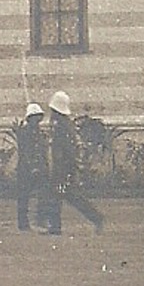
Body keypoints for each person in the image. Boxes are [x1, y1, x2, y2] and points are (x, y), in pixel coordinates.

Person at [44, 91, 104, 235]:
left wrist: (63, 168)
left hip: (63, 168)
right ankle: (55, 226)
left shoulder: (62, 127)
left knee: (66, 196)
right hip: (65, 167)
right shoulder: (63, 125)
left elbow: (65, 150)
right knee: (63, 196)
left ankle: (95, 218)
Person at [13, 104, 47, 232]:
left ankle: (40, 219)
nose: (37, 120)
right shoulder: (25, 132)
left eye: (38, 117)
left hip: (38, 167)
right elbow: (25, 151)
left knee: (43, 194)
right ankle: (23, 222)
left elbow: (41, 150)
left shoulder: (38, 132)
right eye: (35, 117)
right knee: (23, 196)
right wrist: (32, 166)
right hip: (26, 169)